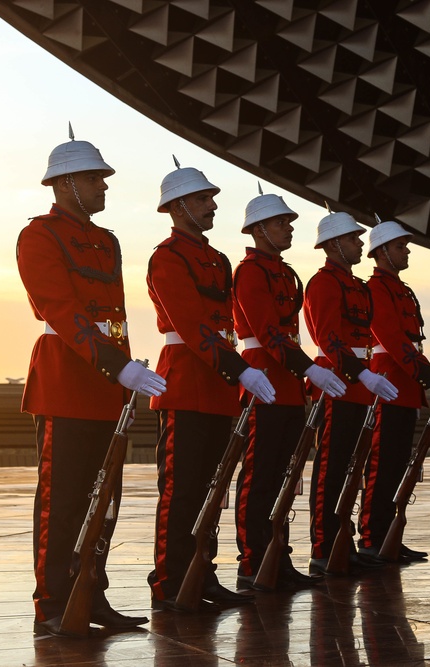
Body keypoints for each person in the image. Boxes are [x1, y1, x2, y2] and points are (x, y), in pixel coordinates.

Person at [17, 127, 167, 636]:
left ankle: (91, 594)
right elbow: (59, 309)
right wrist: (116, 364)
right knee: (62, 505)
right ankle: (53, 604)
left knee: (104, 503)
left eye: (102, 179)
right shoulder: (38, 235)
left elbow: (114, 315)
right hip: (67, 377)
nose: (104, 187)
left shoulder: (107, 240)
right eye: (93, 179)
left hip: (108, 384)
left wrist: (123, 373)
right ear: (63, 184)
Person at [145, 159, 277, 611]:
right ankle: (169, 581)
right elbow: (191, 323)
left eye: (210, 198)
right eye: (203, 199)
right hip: (186, 379)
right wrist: (240, 368)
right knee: (180, 492)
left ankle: (202, 573)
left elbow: (221, 324)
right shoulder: (167, 257)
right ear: (179, 206)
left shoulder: (217, 259)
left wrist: (234, 371)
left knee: (213, 489)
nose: (212, 205)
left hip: (219, 383)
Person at [232, 187, 348, 589]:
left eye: (287, 222)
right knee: (259, 476)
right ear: (259, 229)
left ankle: (277, 557)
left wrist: (301, 374)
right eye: (281, 222)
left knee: (285, 476)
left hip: (287, 384)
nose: (289, 228)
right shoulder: (250, 271)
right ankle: (252, 562)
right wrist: (309, 369)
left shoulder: (283, 271)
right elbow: (266, 333)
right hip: (263, 380)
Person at [358, 220, 430, 562]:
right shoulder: (376, 289)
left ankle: (390, 537)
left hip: (403, 386)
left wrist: (425, 377)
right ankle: (372, 539)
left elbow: (411, 343)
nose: (407, 252)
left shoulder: (400, 289)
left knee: (399, 466)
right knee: (381, 466)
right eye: (401, 246)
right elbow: (392, 339)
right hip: (388, 384)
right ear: (382, 252)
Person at [302, 211, 399, 576]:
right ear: (332, 245)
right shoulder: (324, 283)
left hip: (358, 385)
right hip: (337, 382)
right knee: (330, 470)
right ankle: (323, 548)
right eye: (353, 239)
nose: (361, 244)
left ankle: (343, 539)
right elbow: (327, 338)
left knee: (350, 470)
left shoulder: (355, 285)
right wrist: (361, 374)